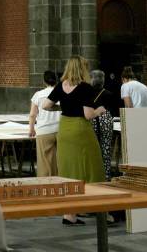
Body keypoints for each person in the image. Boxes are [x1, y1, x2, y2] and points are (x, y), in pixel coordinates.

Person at [40, 56, 108, 225]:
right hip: (80, 130)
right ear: (82, 69)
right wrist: (100, 109)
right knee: (93, 167)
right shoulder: (85, 87)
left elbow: (45, 105)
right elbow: (88, 115)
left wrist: (62, 106)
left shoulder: (60, 86)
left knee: (69, 171)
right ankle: (101, 211)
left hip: (65, 129)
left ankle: (69, 215)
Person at [28, 70, 60, 176]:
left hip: (44, 130)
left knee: (44, 161)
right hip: (60, 129)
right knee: (60, 160)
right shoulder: (62, 93)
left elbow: (33, 114)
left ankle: (45, 183)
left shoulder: (38, 94)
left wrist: (31, 129)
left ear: (44, 81)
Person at [88, 70, 118, 180]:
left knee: (92, 148)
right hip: (106, 120)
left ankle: (94, 174)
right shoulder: (108, 93)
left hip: (92, 120)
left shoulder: (87, 93)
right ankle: (106, 174)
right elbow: (113, 110)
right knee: (106, 148)